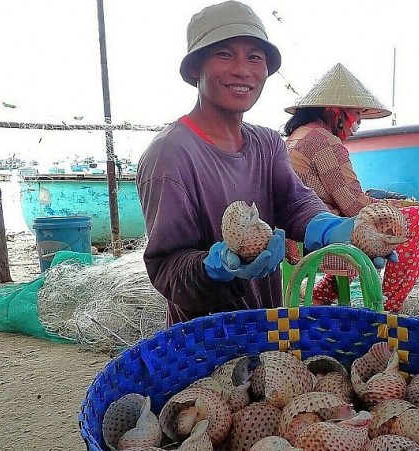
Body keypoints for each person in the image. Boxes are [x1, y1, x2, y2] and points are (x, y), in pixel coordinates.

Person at [136, 2, 393, 326]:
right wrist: (218, 267)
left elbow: (295, 203)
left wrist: (331, 228)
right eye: (225, 54)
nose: (243, 69)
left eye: (255, 57)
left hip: (269, 327)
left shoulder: (267, 143)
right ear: (194, 68)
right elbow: (168, 269)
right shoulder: (169, 155)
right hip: (206, 339)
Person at [283, 63, 419, 312]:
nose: (356, 125)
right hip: (316, 237)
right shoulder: (323, 140)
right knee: (417, 220)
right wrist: (404, 205)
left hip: (298, 232)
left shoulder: (299, 135)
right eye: (356, 117)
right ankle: (387, 307)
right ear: (335, 111)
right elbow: (355, 205)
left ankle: (323, 292)